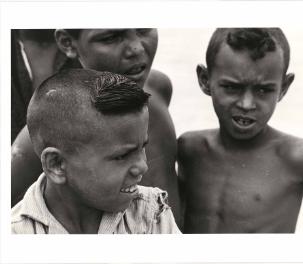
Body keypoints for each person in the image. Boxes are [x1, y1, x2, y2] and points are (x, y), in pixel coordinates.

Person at [11, 29, 181, 228]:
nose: (136, 48)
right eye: (110, 38)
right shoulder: (46, 137)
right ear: (68, 43)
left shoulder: (159, 89)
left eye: (143, 29)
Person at [177, 28, 303, 233]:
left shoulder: (300, 157)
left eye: (263, 90)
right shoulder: (189, 148)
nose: (246, 104)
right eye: (232, 87)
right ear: (205, 80)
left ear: (284, 87)